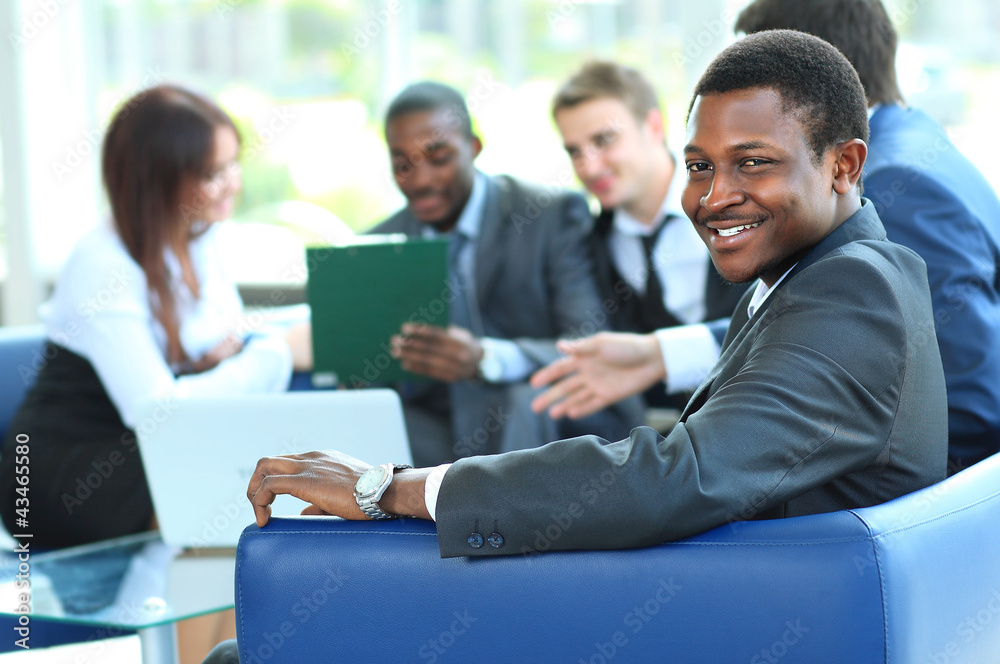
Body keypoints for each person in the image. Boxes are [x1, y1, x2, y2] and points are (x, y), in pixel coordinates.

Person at [533, 0, 1000, 472]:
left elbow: (962, 395)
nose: (716, 199)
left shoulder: (896, 179)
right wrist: (660, 354)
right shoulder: (913, 142)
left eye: (757, 62)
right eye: (700, 167)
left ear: (811, 71)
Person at [0, 85, 308, 548]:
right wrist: (277, 354)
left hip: (146, 452)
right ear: (157, 181)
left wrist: (232, 351)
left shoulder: (196, 236)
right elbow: (157, 413)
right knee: (231, 499)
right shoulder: (102, 264)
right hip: (69, 473)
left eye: (232, 164)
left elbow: (218, 335)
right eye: (212, 172)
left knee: (248, 487)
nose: (234, 183)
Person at [370, 81, 640, 467]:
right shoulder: (381, 245)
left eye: (439, 157)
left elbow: (587, 342)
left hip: (553, 420)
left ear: (473, 147)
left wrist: (486, 358)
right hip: (443, 434)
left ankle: (506, 521)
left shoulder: (549, 215)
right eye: (402, 164)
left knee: (525, 401)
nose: (421, 179)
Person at [551, 62, 744, 369]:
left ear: (654, 127)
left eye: (604, 140)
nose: (589, 166)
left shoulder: (735, 206)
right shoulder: (589, 238)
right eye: (575, 151)